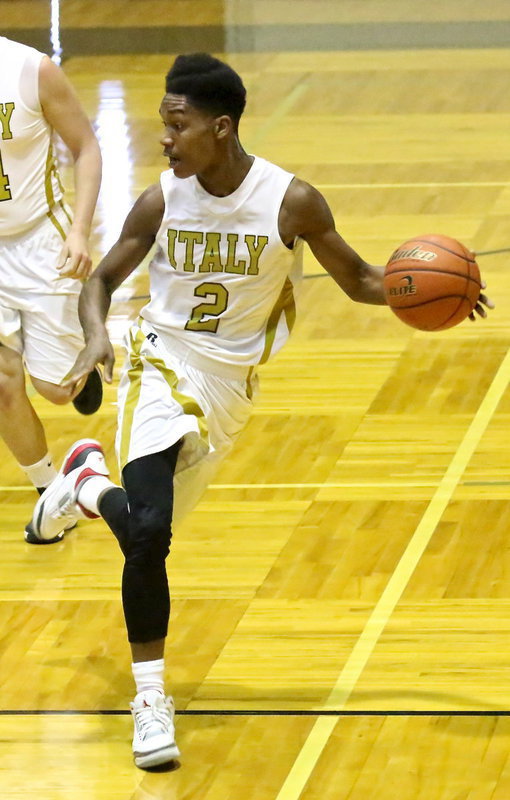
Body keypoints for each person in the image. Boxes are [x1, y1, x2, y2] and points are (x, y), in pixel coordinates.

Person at [25, 53, 493, 768]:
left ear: (221, 126)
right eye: (163, 126)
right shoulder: (161, 200)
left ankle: (84, 483)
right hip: (160, 361)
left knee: (145, 531)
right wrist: (96, 335)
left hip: (230, 387)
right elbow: (105, 278)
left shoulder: (290, 201)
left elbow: (364, 278)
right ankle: (151, 699)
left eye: (176, 127)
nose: (166, 140)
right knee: (151, 536)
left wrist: (429, 293)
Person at [0, 36, 103, 544]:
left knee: (56, 391)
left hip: (40, 238)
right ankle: (51, 492)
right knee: (1, 383)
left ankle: (88, 343)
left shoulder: (30, 70)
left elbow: (86, 147)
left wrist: (80, 231)